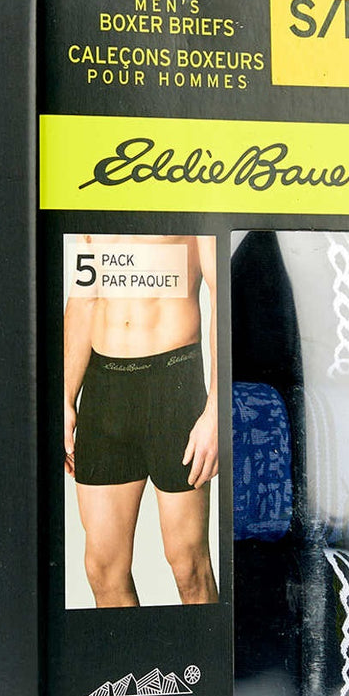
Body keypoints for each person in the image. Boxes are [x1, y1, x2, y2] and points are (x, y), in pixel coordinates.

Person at [64, 233, 218, 608]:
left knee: (188, 567)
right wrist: (64, 397)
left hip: (173, 386)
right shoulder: (93, 200)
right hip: (105, 391)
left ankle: (205, 650)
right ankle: (132, 651)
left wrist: (216, 409)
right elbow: (84, 296)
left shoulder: (187, 197)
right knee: (103, 570)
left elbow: (222, 298)